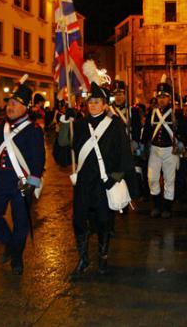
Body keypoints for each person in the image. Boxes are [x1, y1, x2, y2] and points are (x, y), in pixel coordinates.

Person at [69, 75, 134, 275]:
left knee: (104, 221)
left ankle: (103, 256)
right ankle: (83, 258)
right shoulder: (79, 125)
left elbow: (124, 154)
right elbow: (65, 152)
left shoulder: (115, 126)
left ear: (105, 105)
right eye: (90, 102)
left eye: (97, 102)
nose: (93, 105)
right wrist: (65, 124)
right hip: (83, 182)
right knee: (79, 220)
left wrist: (115, 178)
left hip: (103, 183)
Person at [0, 75, 45, 275]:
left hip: (21, 183)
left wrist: (33, 182)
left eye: (15, 103)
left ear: (25, 107)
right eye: (9, 102)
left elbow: (38, 159)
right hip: (1, 182)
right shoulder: (2, 127)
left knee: (21, 222)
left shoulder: (33, 130)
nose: (10, 106)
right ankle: (11, 245)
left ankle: (17, 256)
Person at [142, 77, 181, 218]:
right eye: (160, 97)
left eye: (164, 97)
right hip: (155, 149)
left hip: (170, 150)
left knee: (169, 180)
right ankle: (156, 205)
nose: (162, 99)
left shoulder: (176, 113)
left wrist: (181, 141)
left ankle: (167, 208)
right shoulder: (152, 113)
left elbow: (181, 131)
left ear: (169, 98)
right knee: (152, 178)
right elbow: (147, 130)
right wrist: (142, 144)